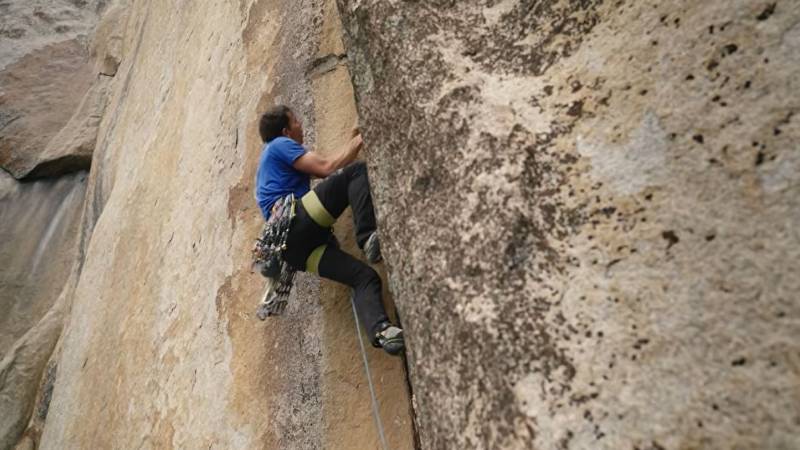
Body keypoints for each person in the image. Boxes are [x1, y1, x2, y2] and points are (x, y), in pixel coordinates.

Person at [255, 105, 404, 355]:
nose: (300, 125)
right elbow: (327, 167)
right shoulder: (279, 145)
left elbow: (334, 170)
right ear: (285, 131)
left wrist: (354, 136)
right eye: (295, 121)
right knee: (357, 172)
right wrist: (365, 132)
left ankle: (382, 331)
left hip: (294, 252)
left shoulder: (271, 164)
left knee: (363, 277)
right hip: (295, 220)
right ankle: (367, 236)